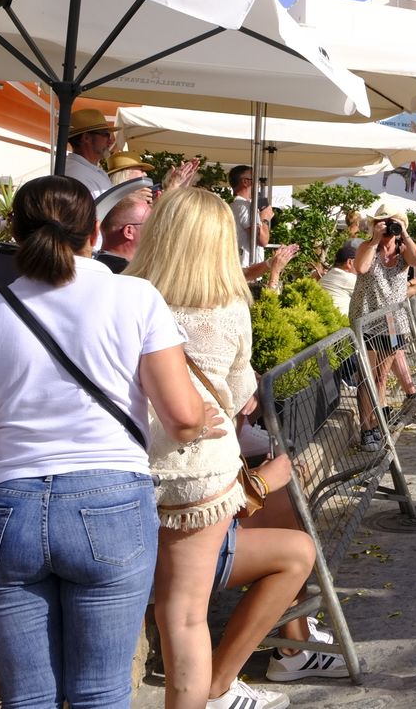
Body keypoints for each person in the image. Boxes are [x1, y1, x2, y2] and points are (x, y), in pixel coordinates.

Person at [0, 175, 218, 709]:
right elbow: (183, 417)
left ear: (15, 232)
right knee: (101, 691)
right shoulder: (134, 296)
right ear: (95, 232)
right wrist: (202, 422)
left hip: (8, 504)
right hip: (110, 499)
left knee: (26, 697)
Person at [125, 187, 312, 709]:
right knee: (184, 618)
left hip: (126, 468)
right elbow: (240, 396)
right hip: (198, 480)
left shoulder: (125, 293)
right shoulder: (230, 308)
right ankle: (213, 691)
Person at [352, 207, 416, 451]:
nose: (386, 227)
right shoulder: (366, 247)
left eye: (391, 223)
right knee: (367, 376)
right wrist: (374, 240)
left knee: (381, 376)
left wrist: (404, 234)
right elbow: (360, 268)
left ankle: (376, 421)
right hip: (367, 318)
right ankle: (366, 428)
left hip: (393, 321)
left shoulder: (404, 250)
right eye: (381, 222)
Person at [63, 107, 117, 197]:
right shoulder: (76, 175)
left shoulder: (87, 170)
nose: (110, 141)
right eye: (106, 134)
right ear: (86, 138)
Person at [228, 165, 272, 267]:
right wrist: (265, 219)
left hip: (239, 265)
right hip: (246, 268)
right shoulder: (244, 207)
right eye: (256, 180)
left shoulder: (233, 205)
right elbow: (262, 240)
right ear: (245, 182)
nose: (258, 184)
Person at [96, 194, 151, 274]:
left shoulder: (93, 267)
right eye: (150, 223)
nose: (155, 228)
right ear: (129, 232)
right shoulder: (133, 278)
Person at [315, 239, 361, 317]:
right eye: (360, 261)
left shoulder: (329, 275)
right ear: (350, 262)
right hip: (341, 324)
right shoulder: (348, 278)